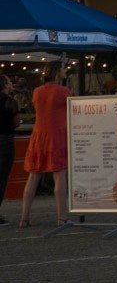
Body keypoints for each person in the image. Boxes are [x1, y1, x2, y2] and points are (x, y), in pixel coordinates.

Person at [18, 62, 70, 228]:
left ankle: (24, 218)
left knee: (33, 176)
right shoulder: (64, 92)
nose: (65, 71)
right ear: (56, 73)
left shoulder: (37, 92)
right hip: (57, 136)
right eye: (63, 68)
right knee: (59, 175)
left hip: (39, 136)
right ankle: (61, 218)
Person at [0, 75, 20, 225]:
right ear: (5, 85)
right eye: (9, 81)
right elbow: (16, 123)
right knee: (2, 177)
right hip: (5, 140)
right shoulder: (11, 102)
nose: (12, 83)